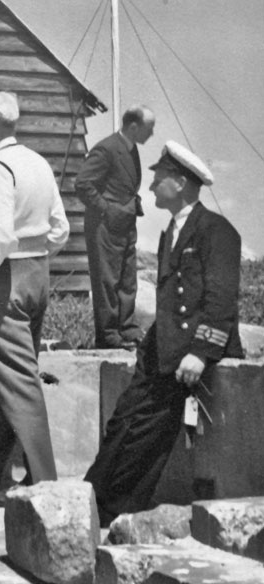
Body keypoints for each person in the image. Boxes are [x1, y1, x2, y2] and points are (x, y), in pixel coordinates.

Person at [85, 140, 243, 525]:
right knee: (124, 420)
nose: (152, 186)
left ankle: (112, 508)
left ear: (181, 183)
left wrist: (201, 352)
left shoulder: (217, 230)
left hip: (191, 350)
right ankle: (92, 498)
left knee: (148, 430)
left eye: (160, 178)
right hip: (162, 346)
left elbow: (221, 300)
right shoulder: (171, 231)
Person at [0, 91, 70, 498]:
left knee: (18, 381)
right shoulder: (36, 162)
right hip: (36, 275)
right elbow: (60, 229)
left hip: (1, 280)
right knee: (3, 376)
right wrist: (34, 257)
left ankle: (43, 483)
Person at [75, 105, 156, 349]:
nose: (152, 134)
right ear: (134, 127)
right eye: (149, 128)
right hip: (105, 227)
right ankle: (109, 335)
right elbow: (83, 183)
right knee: (107, 280)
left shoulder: (131, 149)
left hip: (126, 224)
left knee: (127, 280)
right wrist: (107, 209)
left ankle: (127, 329)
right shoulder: (107, 148)